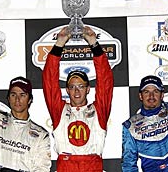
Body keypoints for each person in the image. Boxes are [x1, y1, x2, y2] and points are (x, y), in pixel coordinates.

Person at [122, 24, 168, 172]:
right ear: (140, 96)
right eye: (146, 92)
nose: (151, 96)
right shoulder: (130, 126)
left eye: (156, 91)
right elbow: (128, 164)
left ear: (162, 94)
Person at [42, 26, 114, 172]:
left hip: (93, 166)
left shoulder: (99, 110)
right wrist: (59, 44)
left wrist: (94, 43)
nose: (76, 91)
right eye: (72, 87)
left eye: (81, 86)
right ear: (67, 90)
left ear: (88, 89)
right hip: (66, 166)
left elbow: (105, 82)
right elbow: (49, 82)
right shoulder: (59, 111)